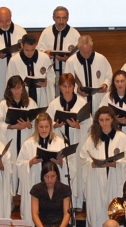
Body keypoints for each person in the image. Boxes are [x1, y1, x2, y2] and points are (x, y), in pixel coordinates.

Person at [80, 106, 126, 227]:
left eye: (107, 120)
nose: (104, 123)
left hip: (115, 180)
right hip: (97, 180)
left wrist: (116, 164)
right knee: (98, 209)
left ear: (112, 120)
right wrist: (91, 164)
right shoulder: (92, 138)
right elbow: (83, 157)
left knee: (114, 210)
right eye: (101, 120)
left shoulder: (121, 137)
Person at [45, 73, 91, 208]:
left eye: (70, 86)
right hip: (59, 143)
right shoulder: (54, 104)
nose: (67, 89)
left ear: (74, 87)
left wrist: (79, 126)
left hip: (76, 143)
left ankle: (76, 203)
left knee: (76, 170)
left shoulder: (82, 103)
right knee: (62, 170)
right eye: (64, 86)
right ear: (60, 87)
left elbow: (90, 125)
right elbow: (45, 124)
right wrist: (54, 126)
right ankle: (60, 204)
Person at [16, 113, 68, 226]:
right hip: (35, 182)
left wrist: (60, 163)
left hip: (54, 185)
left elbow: (70, 165)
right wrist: (30, 162)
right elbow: (19, 164)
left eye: (46, 126)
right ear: (36, 127)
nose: (44, 129)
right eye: (41, 127)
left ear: (51, 126)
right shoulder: (28, 144)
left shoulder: (60, 142)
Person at [0, 75, 37, 195]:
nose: (17, 91)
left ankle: (25, 196)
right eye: (13, 88)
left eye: (19, 87)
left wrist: (29, 124)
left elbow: (38, 121)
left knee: (24, 165)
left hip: (25, 140)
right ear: (9, 89)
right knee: (10, 167)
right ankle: (10, 199)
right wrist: (12, 126)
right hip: (10, 140)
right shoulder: (4, 105)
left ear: (23, 87)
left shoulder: (30, 103)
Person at [30, 162, 74, 227]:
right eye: (47, 176)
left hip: (60, 225)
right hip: (42, 226)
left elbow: (67, 214)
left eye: (53, 176)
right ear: (43, 176)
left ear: (57, 176)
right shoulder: (36, 189)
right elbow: (34, 214)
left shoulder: (65, 189)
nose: (49, 179)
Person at [62, 35, 112, 107]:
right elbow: (67, 81)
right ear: (78, 48)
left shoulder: (101, 59)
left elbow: (109, 76)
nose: (86, 55)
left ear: (92, 46)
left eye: (89, 51)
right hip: (80, 100)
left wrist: (105, 85)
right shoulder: (71, 62)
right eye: (83, 52)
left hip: (98, 99)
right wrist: (76, 90)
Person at [6, 34, 56, 105]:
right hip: (22, 99)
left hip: (41, 97)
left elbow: (52, 77)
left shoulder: (44, 58)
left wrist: (47, 83)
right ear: (22, 45)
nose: (30, 53)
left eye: (32, 50)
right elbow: (9, 81)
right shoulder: (14, 60)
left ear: (36, 45)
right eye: (27, 50)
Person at [37, 6, 80, 84]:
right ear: (53, 18)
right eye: (58, 18)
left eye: (64, 18)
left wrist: (69, 59)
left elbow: (79, 55)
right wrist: (45, 54)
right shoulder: (46, 32)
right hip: (50, 71)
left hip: (67, 72)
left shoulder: (75, 34)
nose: (61, 21)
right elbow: (39, 51)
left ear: (68, 18)